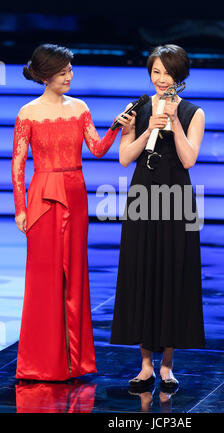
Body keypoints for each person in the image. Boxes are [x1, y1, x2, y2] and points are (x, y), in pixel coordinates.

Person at [11, 44, 133, 381]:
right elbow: (18, 165)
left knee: (75, 277)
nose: (70, 75)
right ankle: (40, 363)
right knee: (44, 279)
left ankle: (75, 362)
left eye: (69, 70)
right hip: (42, 197)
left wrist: (116, 128)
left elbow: (96, 149)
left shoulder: (80, 108)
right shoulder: (27, 113)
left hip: (76, 193)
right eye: (63, 71)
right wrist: (20, 209)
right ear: (46, 75)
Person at [110, 44, 205, 391]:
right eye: (155, 71)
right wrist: (148, 127)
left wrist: (174, 123)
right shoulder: (137, 107)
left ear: (179, 76)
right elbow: (124, 157)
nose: (160, 78)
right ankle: (145, 365)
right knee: (142, 270)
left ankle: (167, 365)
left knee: (172, 272)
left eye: (166, 72)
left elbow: (189, 158)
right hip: (142, 195)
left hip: (177, 198)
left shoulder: (195, 112)